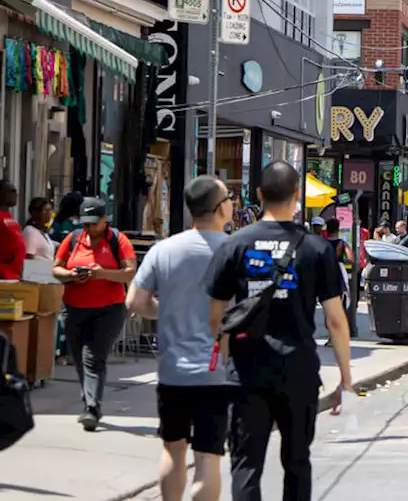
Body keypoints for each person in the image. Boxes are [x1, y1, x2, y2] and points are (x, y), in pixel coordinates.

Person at [206, 161, 353, 500]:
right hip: (298, 371)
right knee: (298, 462)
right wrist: (345, 377)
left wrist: (226, 361)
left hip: (247, 372)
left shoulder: (235, 244)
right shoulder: (317, 249)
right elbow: (336, 320)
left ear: (258, 195)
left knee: (245, 464)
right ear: (297, 196)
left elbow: (215, 316)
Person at [125, 176, 233, 501]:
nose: (232, 203)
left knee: (173, 451)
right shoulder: (235, 251)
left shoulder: (165, 250)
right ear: (219, 208)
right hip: (218, 372)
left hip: (173, 371)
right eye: (229, 198)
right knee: (207, 457)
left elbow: (135, 302)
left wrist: (166, 310)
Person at [52, 196, 136, 431]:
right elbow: (56, 268)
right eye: (85, 223)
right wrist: (70, 276)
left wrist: (102, 273)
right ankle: (89, 397)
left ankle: (92, 408)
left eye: (93, 223)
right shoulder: (73, 239)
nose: (89, 228)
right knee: (79, 357)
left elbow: (129, 272)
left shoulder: (118, 240)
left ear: (103, 220)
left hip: (108, 310)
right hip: (74, 307)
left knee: (93, 357)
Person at [0, 181, 24, 281]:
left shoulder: (8, 215)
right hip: (3, 274)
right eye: (11, 191)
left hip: (14, 274)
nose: (15, 194)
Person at [23, 197, 55, 261]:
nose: (49, 214)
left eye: (50, 210)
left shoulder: (43, 232)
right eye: (45, 210)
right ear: (35, 213)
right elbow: (28, 258)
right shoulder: (30, 231)